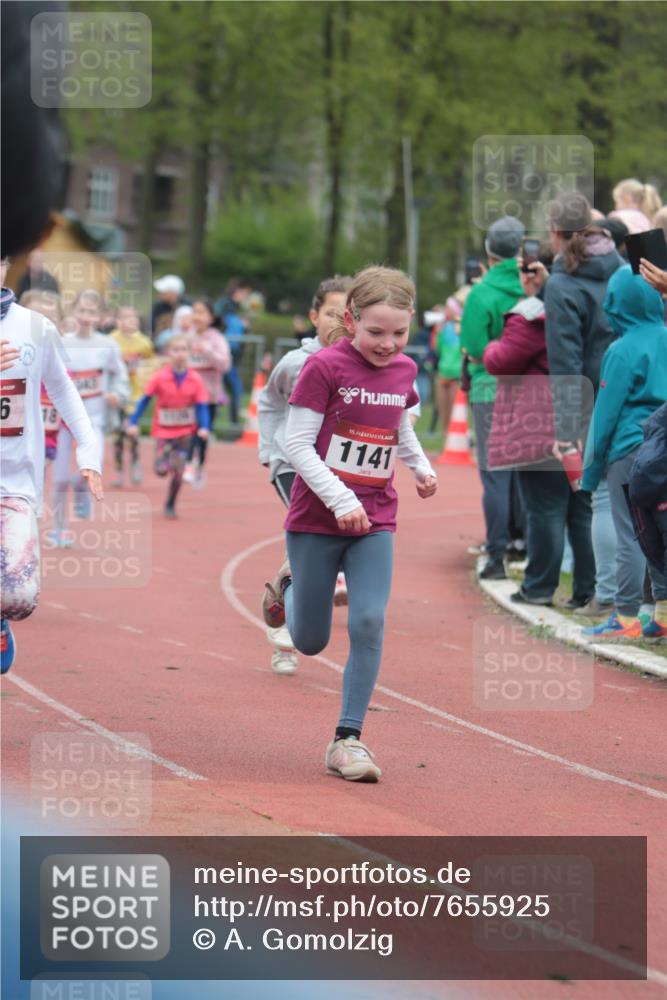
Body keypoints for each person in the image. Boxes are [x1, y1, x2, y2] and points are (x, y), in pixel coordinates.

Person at [260, 266, 438, 782]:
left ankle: (348, 740)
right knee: (310, 640)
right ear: (350, 320)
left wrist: (421, 468)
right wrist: (338, 499)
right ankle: (286, 584)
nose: (388, 344)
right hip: (317, 518)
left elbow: (399, 428)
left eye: (399, 333)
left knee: (367, 621)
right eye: (376, 332)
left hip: (375, 518)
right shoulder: (324, 368)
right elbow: (295, 444)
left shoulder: (404, 371)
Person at [0, 268, 102, 673]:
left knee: (19, 597)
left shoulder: (35, 327)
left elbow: (62, 389)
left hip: (15, 479)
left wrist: (88, 452)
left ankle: (2, 619)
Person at [483, 247, 596, 608]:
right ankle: (586, 589)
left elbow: (502, 360)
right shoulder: (585, 300)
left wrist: (488, 348)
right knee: (581, 508)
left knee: (545, 507)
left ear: (534, 272)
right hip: (582, 408)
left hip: (540, 423)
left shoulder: (531, 315)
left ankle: (540, 586)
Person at [258, 275, 352, 675]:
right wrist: (270, 451)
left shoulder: (361, 362)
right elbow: (268, 402)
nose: (339, 322)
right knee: (313, 532)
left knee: (310, 540)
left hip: (336, 467)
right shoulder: (296, 363)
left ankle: (282, 589)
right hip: (291, 464)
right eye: (331, 312)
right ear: (314, 316)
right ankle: (284, 640)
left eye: (347, 314)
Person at [543, 192, 625, 618]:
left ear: (555, 233)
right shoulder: (625, 267)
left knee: (605, 500)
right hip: (644, 389)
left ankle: (607, 595)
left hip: (596, 400)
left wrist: (567, 425)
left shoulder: (562, 283)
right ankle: (641, 598)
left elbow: (566, 359)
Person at [581, 265, 667, 640]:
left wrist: (591, 467)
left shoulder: (620, 350)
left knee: (630, 532)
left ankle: (626, 613)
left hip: (630, 449)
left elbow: (606, 414)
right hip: (663, 444)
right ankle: (662, 614)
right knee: (661, 531)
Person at [460, 216, 525, 580]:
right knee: (526, 475)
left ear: (489, 251)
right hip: (529, 388)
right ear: (520, 249)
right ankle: (523, 545)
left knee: (496, 477)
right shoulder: (533, 286)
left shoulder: (481, 293)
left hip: (490, 389)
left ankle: (496, 554)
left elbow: (473, 347)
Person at [50, 289, 128, 546]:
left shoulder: (107, 345)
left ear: (102, 316)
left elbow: (120, 375)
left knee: (91, 469)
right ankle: (59, 529)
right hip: (63, 419)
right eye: (81, 310)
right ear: (73, 312)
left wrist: (117, 393)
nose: (85, 316)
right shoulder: (62, 341)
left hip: (94, 419)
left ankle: (81, 488)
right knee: (59, 478)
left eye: (92, 312)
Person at [127, 334, 210, 518]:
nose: (180, 354)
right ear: (168, 353)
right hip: (163, 432)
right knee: (161, 470)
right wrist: (133, 421)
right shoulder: (159, 377)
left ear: (189, 353)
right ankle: (165, 464)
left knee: (179, 472)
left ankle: (171, 502)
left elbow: (202, 406)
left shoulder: (195, 379)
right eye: (175, 350)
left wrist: (204, 427)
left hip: (185, 432)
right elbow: (144, 400)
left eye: (184, 350)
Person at [183, 298, 231, 486]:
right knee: (189, 431)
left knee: (202, 434)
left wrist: (208, 351)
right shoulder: (187, 337)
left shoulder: (216, 339)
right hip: (187, 396)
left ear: (211, 318)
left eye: (202, 312)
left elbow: (225, 365)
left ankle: (198, 466)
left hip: (209, 397)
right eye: (194, 311)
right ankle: (187, 464)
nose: (197, 316)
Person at [110, 306, 154, 487]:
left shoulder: (144, 343)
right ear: (118, 321)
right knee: (119, 433)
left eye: (133, 318)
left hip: (135, 392)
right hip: (117, 392)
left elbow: (150, 364)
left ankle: (135, 462)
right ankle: (118, 470)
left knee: (132, 431)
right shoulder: (111, 340)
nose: (130, 321)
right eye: (125, 318)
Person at [216, 278, 251, 426]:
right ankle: (232, 427)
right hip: (225, 355)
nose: (246, 297)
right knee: (235, 390)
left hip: (230, 356)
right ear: (238, 291)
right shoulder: (225, 305)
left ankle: (230, 426)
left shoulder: (232, 307)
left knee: (230, 391)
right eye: (245, 293)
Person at [434, 295, 464, 443]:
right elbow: (438, 349)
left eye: (448, 307)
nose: (446, 310)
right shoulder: (443, 327)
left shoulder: (462, 326)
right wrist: (438, 333)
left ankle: (455, 442)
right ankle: (445, 442)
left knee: (455, 411)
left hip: (456, 374)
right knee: (443, 411)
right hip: (442, 373)